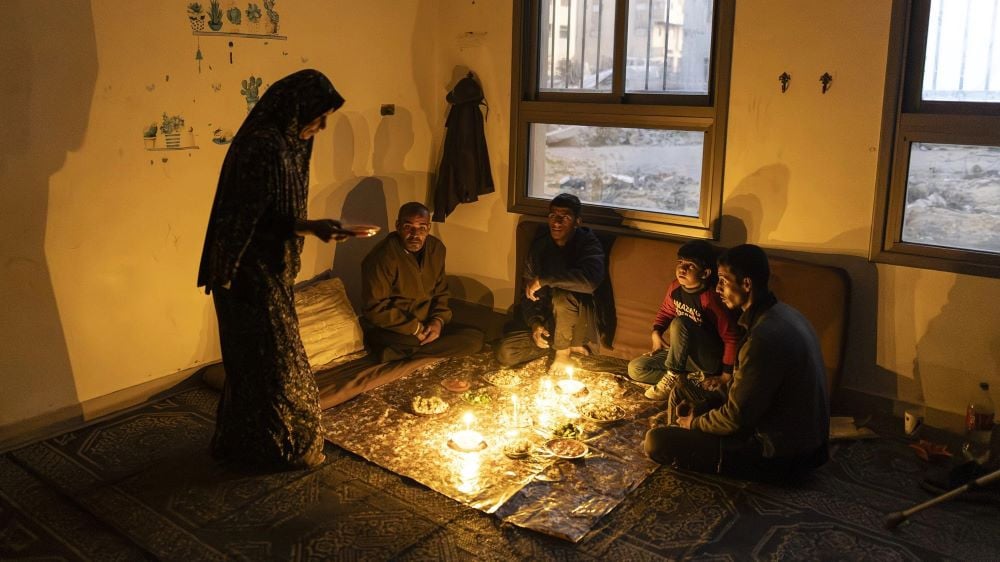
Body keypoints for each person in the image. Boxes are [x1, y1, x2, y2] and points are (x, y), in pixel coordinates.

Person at [197, 69, 346, 470]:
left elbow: (278, 215)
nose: (323, 125)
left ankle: (255, 447)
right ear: (296, 109)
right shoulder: (261, 146)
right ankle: (279, 449)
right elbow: (245, 219)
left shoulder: (292, 144)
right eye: (319, 114)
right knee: (271, 363)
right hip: (245, 272)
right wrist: (309, 227)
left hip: (272, 269)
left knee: (265, 361)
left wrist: (311, 228)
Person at [644, 244, 830, 481]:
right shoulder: (785, 313)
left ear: (746, 284)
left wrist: (695, 423)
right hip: (807, 443)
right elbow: (747, 391)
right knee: (689, 395)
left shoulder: (762, 338)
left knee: (657, 441)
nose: (718, 288)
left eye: (723, 280)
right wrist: (704, 406)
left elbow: (735, 418)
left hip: (782, 455)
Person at [495, 193, 612, 370]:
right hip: (552, 322)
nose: (556, 223)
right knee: (506, 352)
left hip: (581, 322)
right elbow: (528, 293)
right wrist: (536, 324)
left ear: (577, 221)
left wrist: (545, 280)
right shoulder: (540, 247)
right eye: (552, 216)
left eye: (564, 218)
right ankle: (561, 347)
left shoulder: (589, 244)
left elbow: (590, 282)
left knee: (562, 294)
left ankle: (563, 352)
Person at [360, 202, 484, 362]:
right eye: (408, 227)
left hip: (425, 323)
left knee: (475, 338)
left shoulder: (436, 249)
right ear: (397, 226)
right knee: (409, 340)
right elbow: (374, 308)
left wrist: (437, 322)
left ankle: (401, 353)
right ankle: (405, 349)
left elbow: (441, 292)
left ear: (429, 228)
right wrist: (414, 328)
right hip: (394, 329)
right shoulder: (382, 257)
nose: (415, 234)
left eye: (421, 228)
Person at [628, 240, 741, 403]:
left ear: (705, 273)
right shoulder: (675, 287)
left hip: (708, 359)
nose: (682, 268)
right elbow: (666, 311)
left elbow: (731, 337)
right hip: (682, 355)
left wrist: (725, 375)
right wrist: (656, 332)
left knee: (681, 322)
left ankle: (674, 374)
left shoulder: (710, 298)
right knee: (636, 368)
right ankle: (687, 380)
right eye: (680, 263)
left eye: (690, 266)